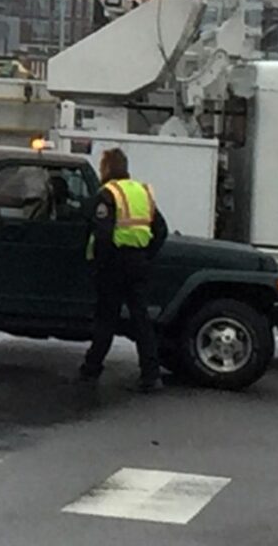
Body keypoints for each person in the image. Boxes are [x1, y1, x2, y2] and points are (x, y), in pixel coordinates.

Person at [75, 147, 169, 392]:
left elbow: (103, 235)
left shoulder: (108, 194)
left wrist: (99, 265)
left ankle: (91, 369)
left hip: (114, 264)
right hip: (138, 263)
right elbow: (161, 230)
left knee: (106, 318)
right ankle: (151, 375)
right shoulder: (142, 192)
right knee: (141, 320)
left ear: (107, 168)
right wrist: (145, 255)